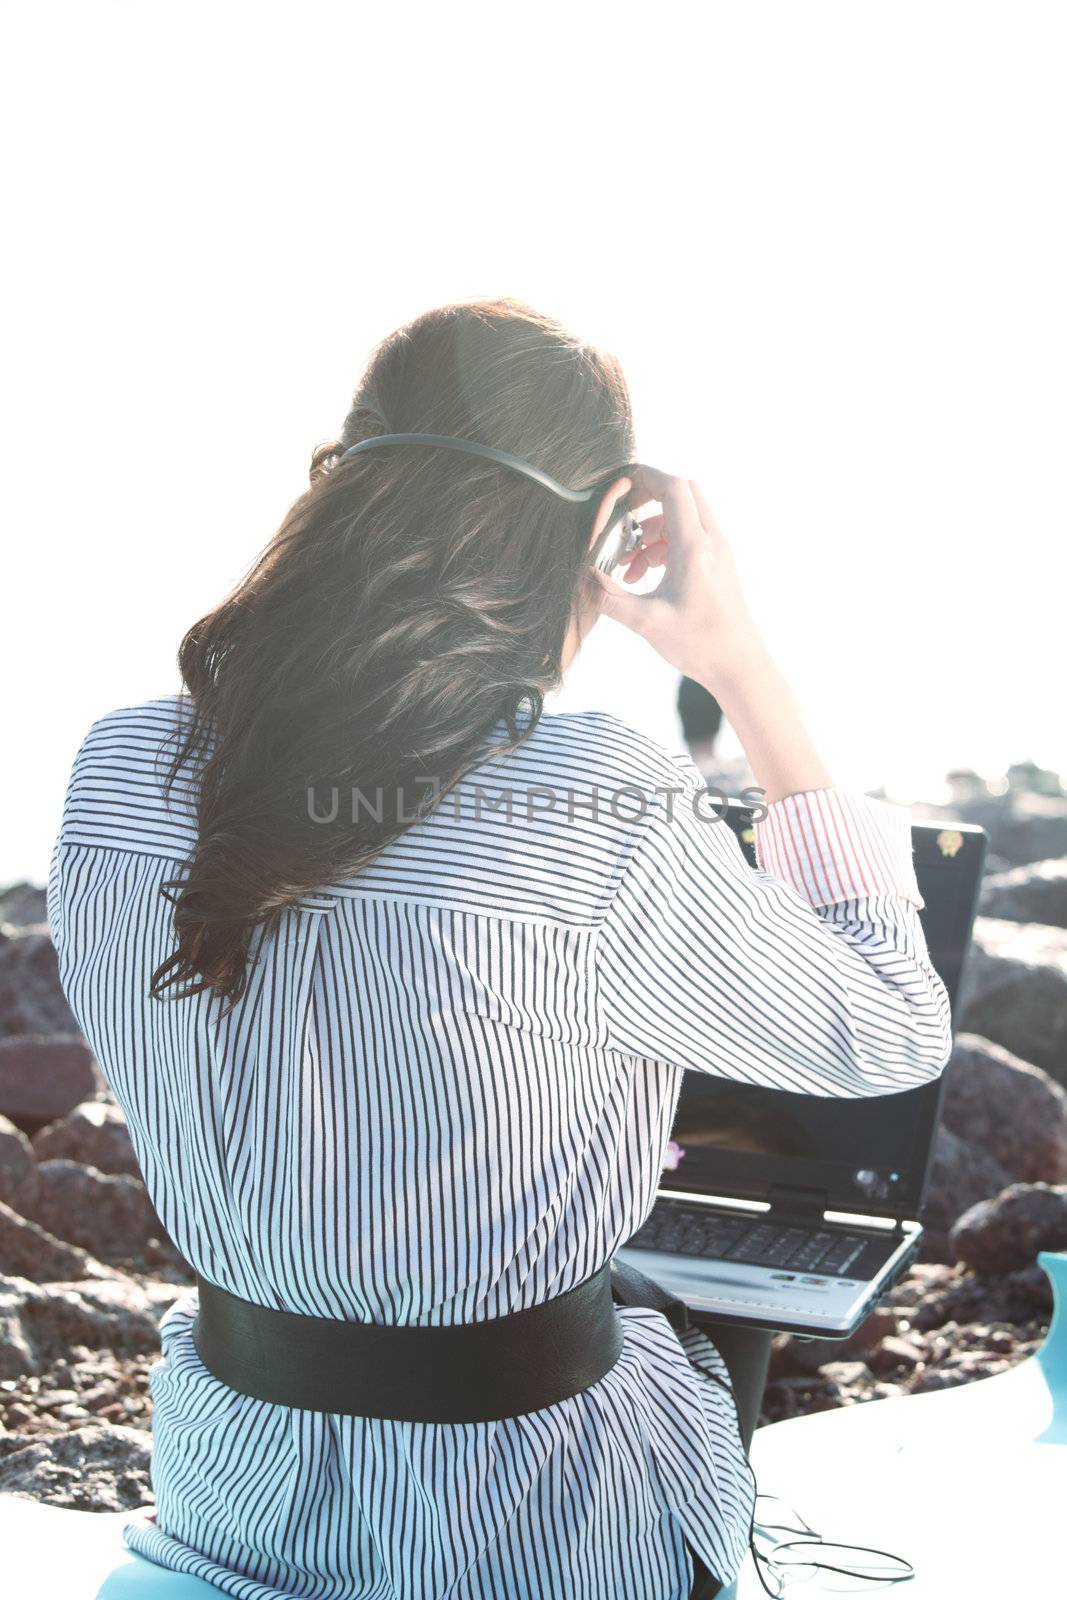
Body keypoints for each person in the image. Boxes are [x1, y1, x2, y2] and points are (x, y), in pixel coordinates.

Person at [47, 297, 953, 1600]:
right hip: (528, 1528)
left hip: (226, 1497)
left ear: (337, 486)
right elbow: (892, 1030)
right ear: (597, 538)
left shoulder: (119, 765)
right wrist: (741, 665)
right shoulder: (591, 799)